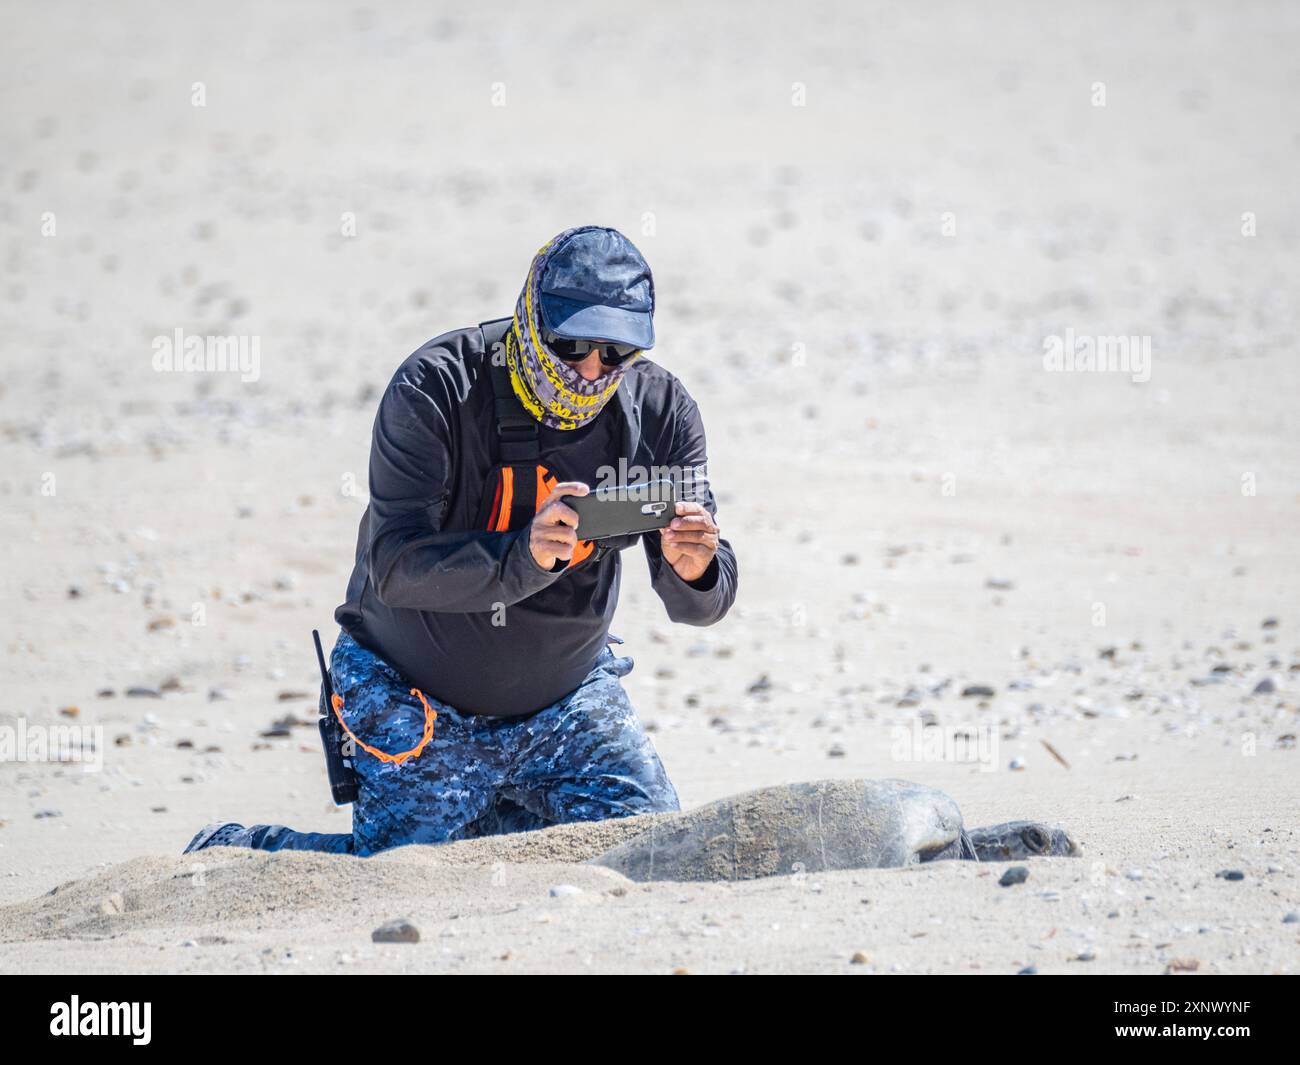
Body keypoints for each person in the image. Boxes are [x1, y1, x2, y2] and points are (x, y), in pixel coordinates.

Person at [184, 225, 738, 856]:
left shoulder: (662, 411)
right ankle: (242, 849)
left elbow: (702, 604)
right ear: (530, 319)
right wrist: (521, 559)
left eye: (615, 354)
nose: (591, 370)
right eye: (572, 344)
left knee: (652, 853)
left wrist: (696, 570)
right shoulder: (435, 388)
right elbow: (394, 566)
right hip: (413, 699)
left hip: (570, 703)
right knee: (403, 876)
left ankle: (489, 827)